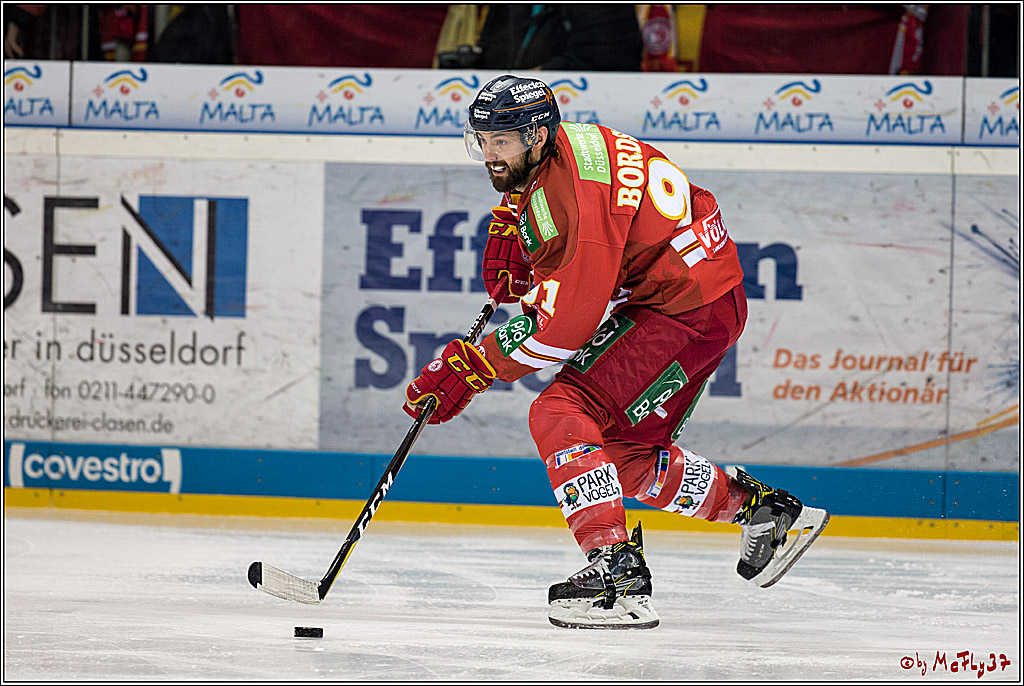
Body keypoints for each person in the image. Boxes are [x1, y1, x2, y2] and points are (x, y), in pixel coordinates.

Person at [403, 75, 830, 629]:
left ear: (536, 136)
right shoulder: (565, 149)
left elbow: (566, 324)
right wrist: (520, 224)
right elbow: (587, 227)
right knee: (620, 455)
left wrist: (478, 366)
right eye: (481, 140)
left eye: (501, 141)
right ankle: (764, 513)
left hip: (682, 308)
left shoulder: (570, 201)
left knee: (560, 411)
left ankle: (615, 575)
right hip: (699, 296)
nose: (489, 154)